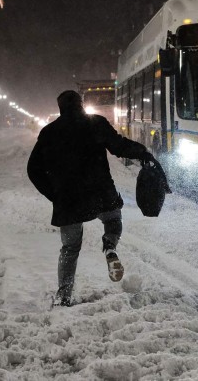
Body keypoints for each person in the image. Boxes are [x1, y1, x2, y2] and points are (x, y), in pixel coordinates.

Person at [27, 90, 154, 307]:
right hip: (100, 191)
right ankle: (110, 246)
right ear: (81, 104)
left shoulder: (49, 132)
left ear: (60, 108)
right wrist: (143, 152)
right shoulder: (96, 123)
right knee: (113, 220)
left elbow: (33, 169)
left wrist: (54, 194)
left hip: (68, 199)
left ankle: (64, 296)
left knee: (70, 248)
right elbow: (119, 146)